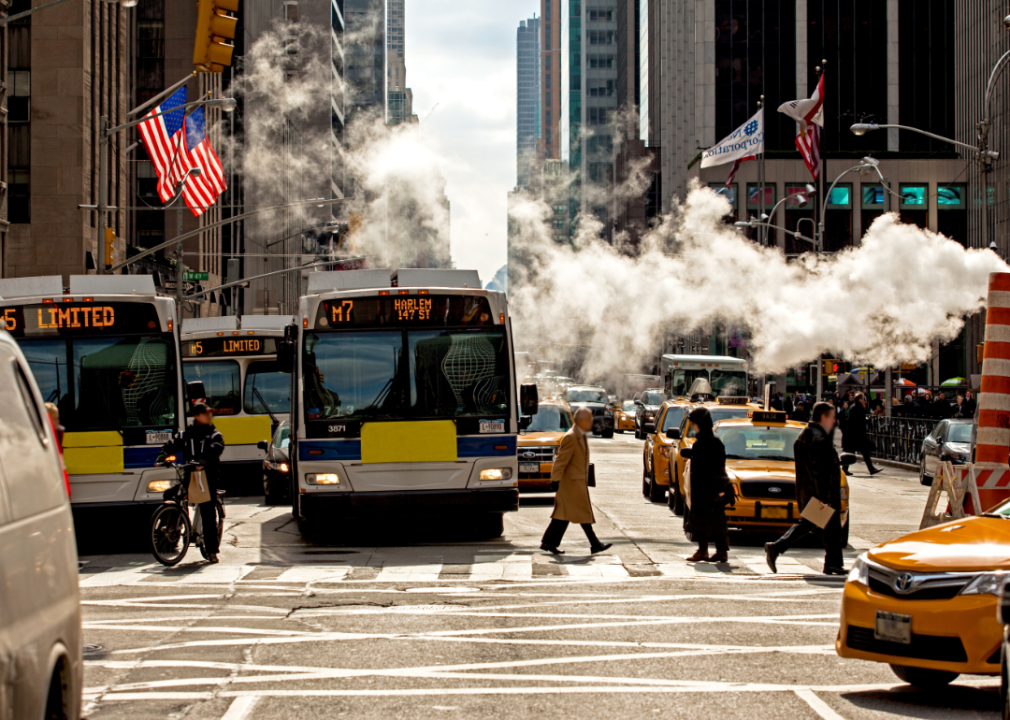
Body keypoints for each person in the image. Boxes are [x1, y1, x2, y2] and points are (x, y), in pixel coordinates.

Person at [765, 402, 846, 576]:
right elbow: (820, 472)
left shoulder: (806, 435)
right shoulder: (819, 438)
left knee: (816, 526)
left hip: (809, 492)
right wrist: (824, 498)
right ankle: (777, 547)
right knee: (831, 529)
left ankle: (831, 564)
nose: (834, 421)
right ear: (823, 417)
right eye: (832, 417)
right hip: (822, 494)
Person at [157, 403, 225, 563]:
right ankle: (175, 527)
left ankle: (211, 551)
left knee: (207, 510)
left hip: (206, 478)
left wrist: (205, 459)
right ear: (197, 416)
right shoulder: (186, 434)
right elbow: (171, 444)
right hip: (190, 476)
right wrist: (163, 456)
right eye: (205, 413)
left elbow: (218, 447)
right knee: (171, 495)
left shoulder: (213, 434)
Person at [541, 407, 612, 555]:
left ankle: (548, 542)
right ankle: (595, 544)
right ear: (581, 421)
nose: (591, 422)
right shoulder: (571, 437)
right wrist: (555, 480)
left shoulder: (579, 435)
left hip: (576, 482)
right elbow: (560, 461)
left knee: (563, 516)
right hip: (571, 485)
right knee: (581, 514)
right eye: (589, 419)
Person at [683, 407, 732, 562]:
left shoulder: (711, 442)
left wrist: (720, 489)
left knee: (709, 520)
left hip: (709, 489)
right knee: (712, 520)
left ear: (701, 423)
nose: (692, 426)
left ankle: (708, 551)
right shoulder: (704, 441)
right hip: (703, 488)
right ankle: (715, 551)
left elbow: (718, 467)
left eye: (694, 423)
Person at [846, 392, 881, 475]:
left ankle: (871, 468)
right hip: (858, 434)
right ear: (860, 399)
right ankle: (871, 468)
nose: (864, 400)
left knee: (854, 452)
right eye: (863, 398)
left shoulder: (853, 406)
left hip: (853, 433)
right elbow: (860, 420)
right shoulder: (859, 407)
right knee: (862, 452)